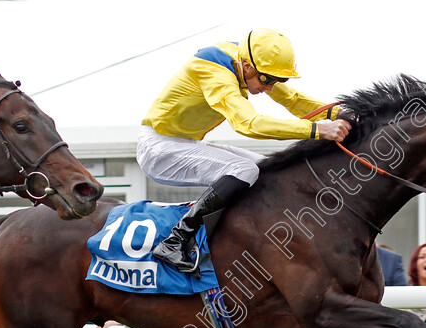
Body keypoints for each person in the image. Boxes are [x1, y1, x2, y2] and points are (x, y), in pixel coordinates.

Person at [137, 28, 350, 273]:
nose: (271, 88)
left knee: (269, 169)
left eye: (279, 80)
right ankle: (175, 241)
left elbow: (293, 100)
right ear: (247, 66)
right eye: (268, 80)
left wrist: (340, 114)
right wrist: (318, 130)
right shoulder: (215, 72)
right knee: (244, 169)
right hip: (159, 148)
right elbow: (248, 124)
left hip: (185, 143)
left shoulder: (249, 62)